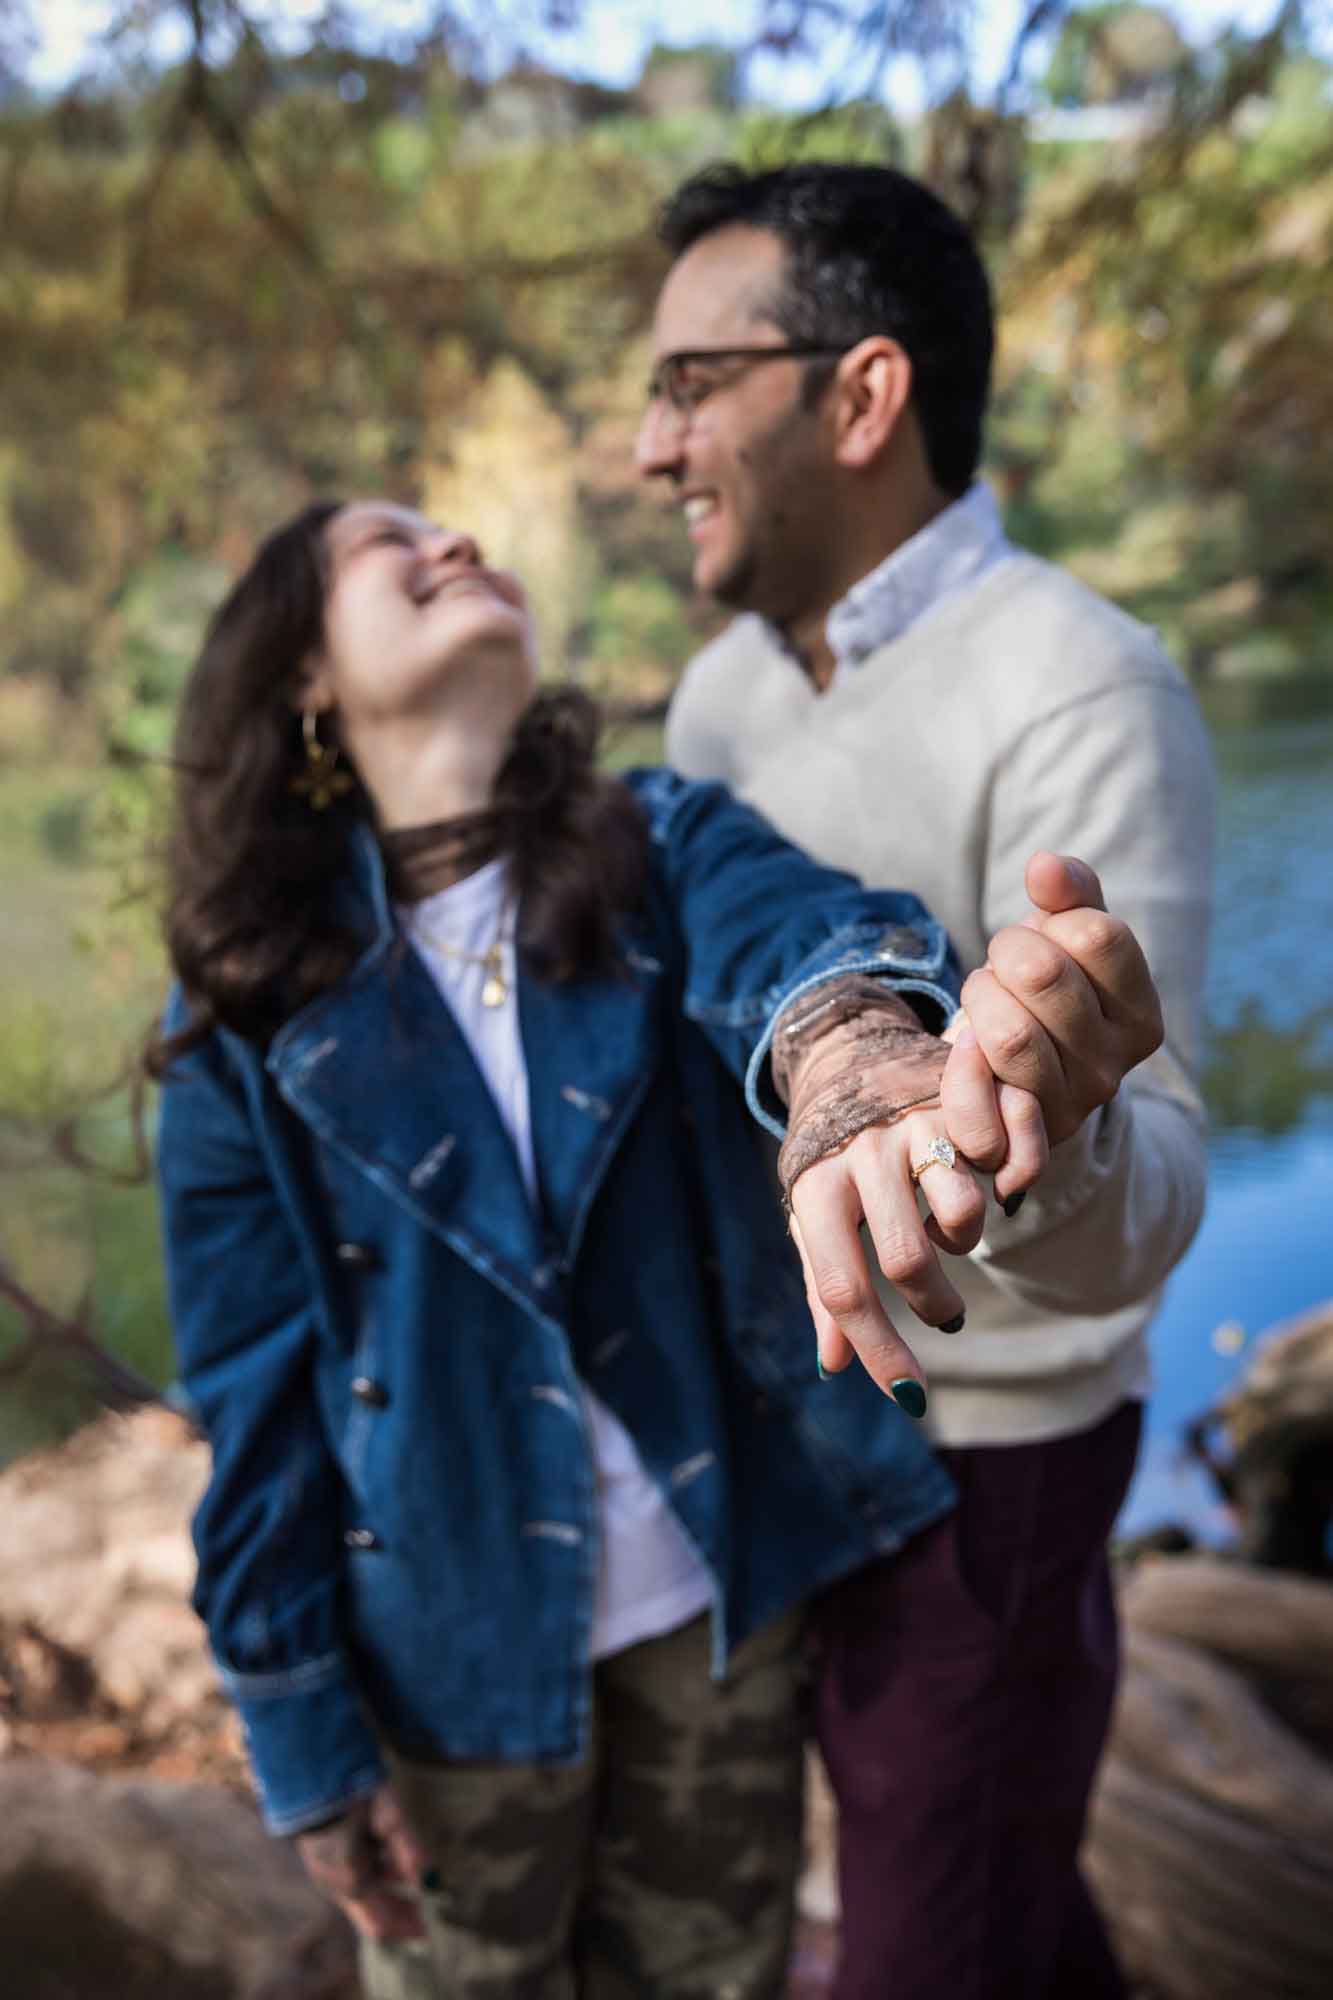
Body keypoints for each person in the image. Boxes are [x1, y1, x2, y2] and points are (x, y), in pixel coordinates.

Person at [152, 498, 1096, 1999]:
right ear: (305, 673)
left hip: (717, 1628)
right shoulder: (241, 1011)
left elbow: (796, 941)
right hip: (447, 1669)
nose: (454, 543)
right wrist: (302, 1735)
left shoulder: (661, 844)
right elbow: (252, 1403)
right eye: (389, 542)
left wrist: (849, 1053)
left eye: (456, 529)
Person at [638, 161, 1216, 2000]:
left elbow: (1151, 1208)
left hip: (989, 1476)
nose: (651, 447)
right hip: (782, 1436)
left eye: (691, 384)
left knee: (925, 1945)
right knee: (993, 1908)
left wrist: (1054, 1126)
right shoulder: (715, 703)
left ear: (861, 394)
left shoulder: (1082, 688)